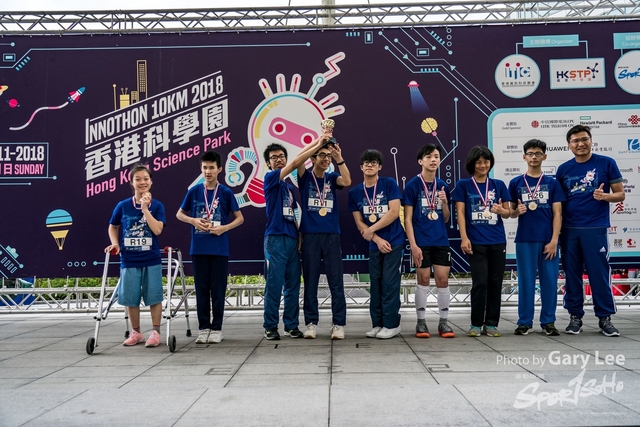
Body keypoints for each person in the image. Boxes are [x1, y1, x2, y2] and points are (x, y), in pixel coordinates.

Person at [556, 125, 625, 337]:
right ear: (569, 145)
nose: (580, 144)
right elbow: (557, 203)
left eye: (584, 139)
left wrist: (605, 196)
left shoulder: (606, 163)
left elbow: (620, 194)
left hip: (595, 228)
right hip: (569, 230)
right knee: (572, 275)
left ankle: (605, 318)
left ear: (591, 140)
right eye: (575, 141)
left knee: (599, 274)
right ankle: (575, 317)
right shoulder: (563, 169)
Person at [262, 132, 332, 340]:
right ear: (268, 163)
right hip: (275, 239)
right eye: (274, 157)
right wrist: (319, 142)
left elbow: (293, 214)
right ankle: (270, 326)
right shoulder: (271, 179)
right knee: (274, 285)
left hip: (292, 240)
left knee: (293, 285)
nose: (279, 159)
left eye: (281, 156)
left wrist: (299, 235)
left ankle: (291, 325)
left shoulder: (290, 188)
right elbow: (296, 162)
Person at [176, 151, 244, 344]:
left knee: (218, 290)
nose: (208, 171)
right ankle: (203, 327)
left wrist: (224, 228)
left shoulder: (226, 192)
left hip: (219, 249)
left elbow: (240, 218)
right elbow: (179, 214)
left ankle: (217, 328)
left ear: (219, 169)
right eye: (205, 168)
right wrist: (193, 220)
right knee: (201, 290)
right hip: (198, 248)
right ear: (201, 169)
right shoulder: (194, 191)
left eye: (211, 168)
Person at [452, 146, 510, 337]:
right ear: (472, 164)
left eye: (486, 161)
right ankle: (476, 324)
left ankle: (491, 324)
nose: (483, 165)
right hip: (475, 241)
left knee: (495, 282)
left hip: (497, 241)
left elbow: (508, 212)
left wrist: (502, 211)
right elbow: (460, 213)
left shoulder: (498, 184)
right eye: (478, 162)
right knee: (480, 283)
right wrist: (464, 237)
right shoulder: (463, 185)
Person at [105, 164, 166, 347]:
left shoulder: (157, 206)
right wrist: (115, 243)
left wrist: (145, 209)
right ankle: (136, 332)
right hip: (129, 259)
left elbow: (157, 229)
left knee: (154, 296)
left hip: (151, 259)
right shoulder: (123, 206)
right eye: (138, 179)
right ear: (131, 182)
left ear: (151, 181)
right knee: (131, 298)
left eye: (146, 179)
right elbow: (113, 226)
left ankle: (155, 332)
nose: (142, 182)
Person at [508, 139, 564, 336]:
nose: (534, 157)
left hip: (548, 240)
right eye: (530, 153)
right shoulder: (515, 183)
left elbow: (558, 214)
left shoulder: (552, 183)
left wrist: (554, 241)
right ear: (524, 156)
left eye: (538, 153)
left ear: (544, 156)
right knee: (526, 282)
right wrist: (518, 211)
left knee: (549, 281)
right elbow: (511, 212)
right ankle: (524, 322)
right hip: (525, 239)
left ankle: (548, 322)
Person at [297, 141, 351, 340]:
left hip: (331, 236)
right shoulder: (305, 177)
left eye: (328, 156)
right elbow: (299, 160)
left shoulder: (332, 177)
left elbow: (347, 181)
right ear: (313, 158)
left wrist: (339, 158)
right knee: (310, 282)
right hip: (310, 236)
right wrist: (319, 142)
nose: (326, 159)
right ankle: (311, 323)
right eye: (322, 155)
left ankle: (338, 324)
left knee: (336, 282)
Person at [348, 149, 405, 339]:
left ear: (379, 166)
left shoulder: (389, 184)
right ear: (361, 167)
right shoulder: (355, 192)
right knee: (376, 284)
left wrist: (371, 230)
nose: (370, 165)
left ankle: (392, 324)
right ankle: (378, 324)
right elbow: (359, 223)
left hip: (394, 242)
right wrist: (377, 238)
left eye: (374, 162)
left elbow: (394, 212)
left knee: (389, 283)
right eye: (366, 162)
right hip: (375, 244)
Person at [403, 144, 455, 338]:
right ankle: (421, 323)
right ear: (420, 161)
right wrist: (413, 245)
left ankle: (443, 322)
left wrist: (445, 202)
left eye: (436, 156)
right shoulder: (412, 186)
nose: (433, 160)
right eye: (428, 157)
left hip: (440, 241)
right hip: (421, 242)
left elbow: (446, 218)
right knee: (423, 280)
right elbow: (407, 218)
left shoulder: (443, 186)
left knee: (443, 280)